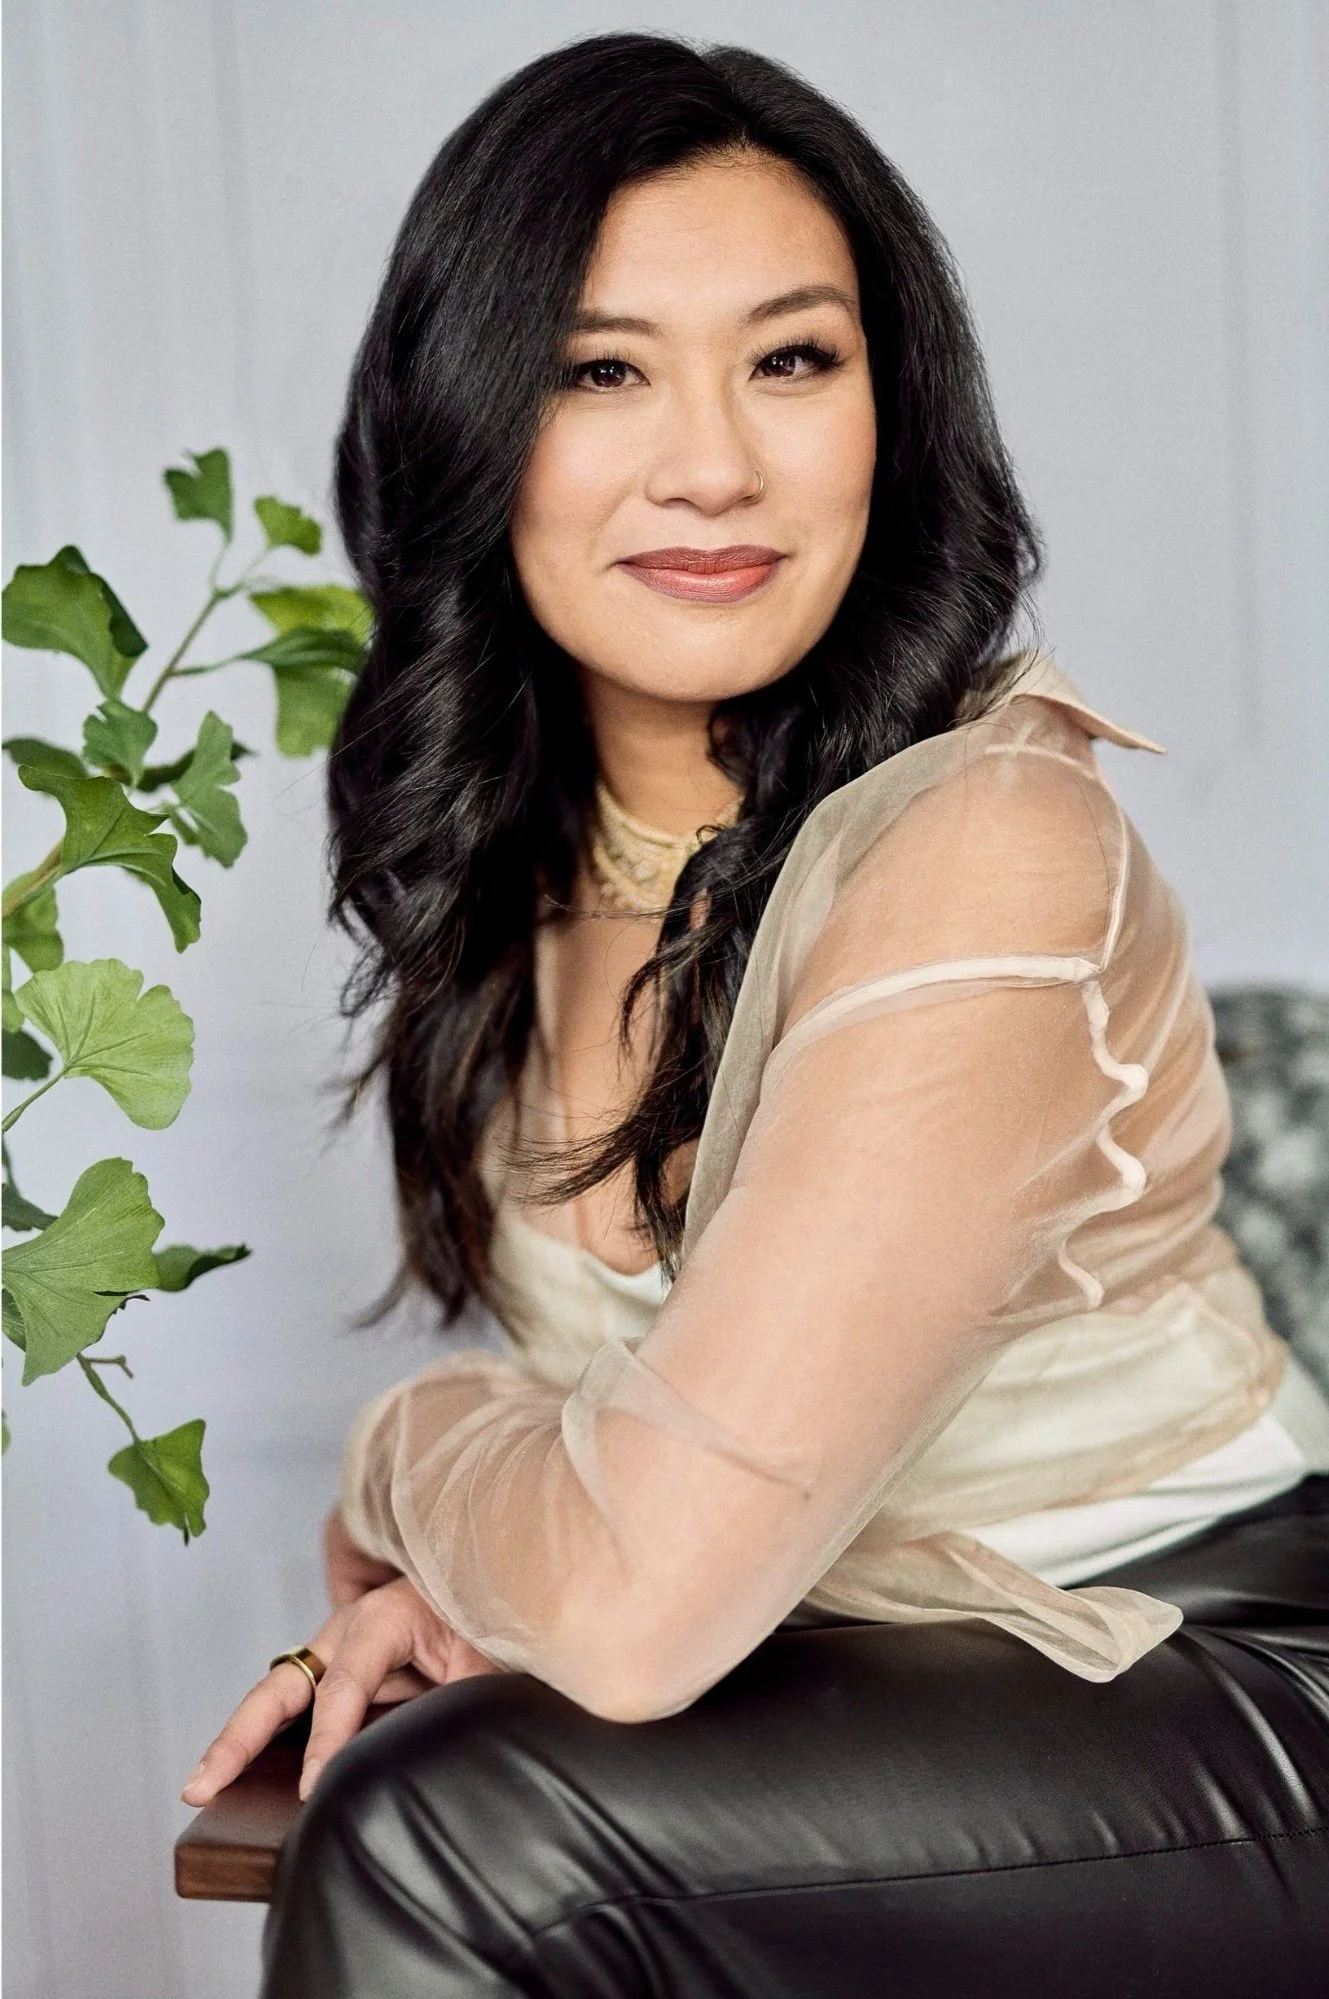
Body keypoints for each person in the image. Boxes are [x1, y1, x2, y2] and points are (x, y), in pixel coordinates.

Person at [182, 34, 1329, 1996]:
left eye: (791, 359)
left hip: (1212, 1682)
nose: (712, 460)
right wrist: (494, 1576)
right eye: (598, 368)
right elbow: (648, 1558)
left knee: (453, 1832)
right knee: (431, 1778)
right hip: (849, 1679)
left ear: (892, 410)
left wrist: (409, 1453)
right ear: (468, 422)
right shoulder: (515, 858)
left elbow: (629, 1616)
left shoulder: (984, 836)